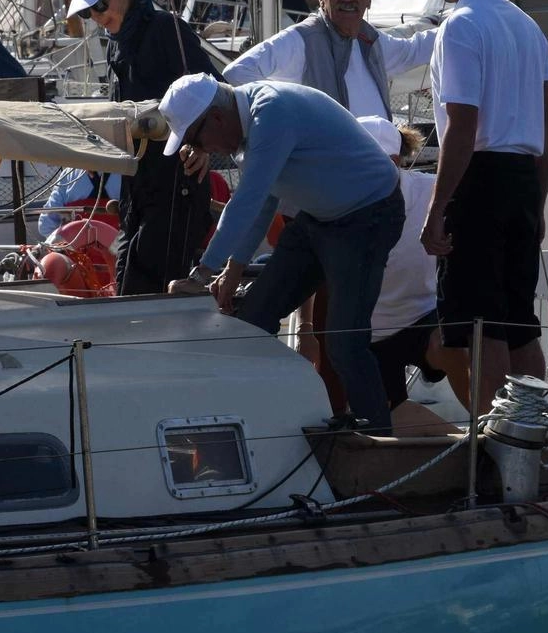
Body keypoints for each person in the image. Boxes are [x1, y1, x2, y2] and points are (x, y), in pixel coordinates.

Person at [161, 74, 404, 432]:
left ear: (215, 118)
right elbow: (262, 203)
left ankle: (379, 445)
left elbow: (248, 200)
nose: (203, 150)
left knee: (344, 342)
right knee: (253, 320)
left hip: (368, 218)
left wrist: (202, 275)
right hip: (320, 220)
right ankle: (266, 419)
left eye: (196, 139)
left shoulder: (271, 112)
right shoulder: (251, 125)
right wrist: (230, 272)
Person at [413, 0, 548, 414]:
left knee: (482, 326)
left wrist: (436, 210)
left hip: (481, 182)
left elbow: (462, 127)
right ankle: (533, 433)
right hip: (521, 181)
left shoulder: (461, 26)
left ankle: (492, 449)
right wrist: (536, 207)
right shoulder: (528, 25)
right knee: (519, 322)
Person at [65, 0, 219, 294]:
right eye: (88, 11)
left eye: (99, 5)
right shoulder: (116, 45)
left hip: (177, 183)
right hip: (139, 187)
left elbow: (215, 90)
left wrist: (204, 147)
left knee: (146, 292)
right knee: (128, 287)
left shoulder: (165, 29)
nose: (95, 16)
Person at [222, 0, 436, 121]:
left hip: (374, 167)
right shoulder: (302, 40)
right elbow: (237, 73)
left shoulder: (371, 40)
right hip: (329, 169)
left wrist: (460, 22)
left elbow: (414, 50)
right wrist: (289, 113)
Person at [357, 116, 467, 436]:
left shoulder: (432, 190)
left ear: (394, 161)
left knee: (451, 343)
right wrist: (306, 329)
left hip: (423, 316)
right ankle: (465, 444)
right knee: (386, 418)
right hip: (367, 335)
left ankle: (487, 429)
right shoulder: (337, 200)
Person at [38, 168, 121, 238]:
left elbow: (45, 225)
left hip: (76, 253)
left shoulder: (69, 175)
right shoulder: (128, 172)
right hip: (117, 251)